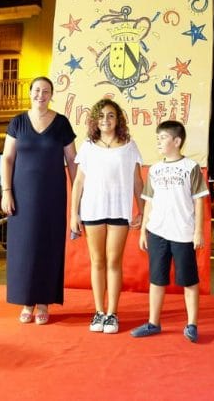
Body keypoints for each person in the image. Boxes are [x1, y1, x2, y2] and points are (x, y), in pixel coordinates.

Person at [1, 76, 77, 325]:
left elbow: (73, 162)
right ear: (30, 93)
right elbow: (7, 159)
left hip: (53, 196)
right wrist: (6, 190)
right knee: (24, 249)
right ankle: (27, 301)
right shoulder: (18, 122)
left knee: (48, 247)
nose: (40, 95)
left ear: (51, 94)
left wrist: (78, 195)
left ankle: (44, 302)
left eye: (45, 91)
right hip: (22, 197)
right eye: (36, 90)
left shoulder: (62, 123)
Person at [130, 120, 209, 343]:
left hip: (183, 233)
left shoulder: (191, 168)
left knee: (189, 280)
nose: (159, 142)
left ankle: (192, 324)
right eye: (158, 138)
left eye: (163, 138)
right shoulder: (155, 169)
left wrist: (198, 232)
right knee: (157, 279)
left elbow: (199, 202)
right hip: (157, 232)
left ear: (177, 141)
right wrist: (144, 230)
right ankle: (153, 323)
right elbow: (149, 202)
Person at [70, 99, 144, 334]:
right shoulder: (88, 146)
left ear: (118, 119)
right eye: (101, 116)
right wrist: (74, 213)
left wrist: (142, 210)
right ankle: (99, 312)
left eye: (110, 115)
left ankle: (112, 314)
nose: (106, 120)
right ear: (95, 120)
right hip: (92, 211)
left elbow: (137, 182)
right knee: (97, 262)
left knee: (114, 262)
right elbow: (79, 182)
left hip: (119, 212)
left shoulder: (130, 146)